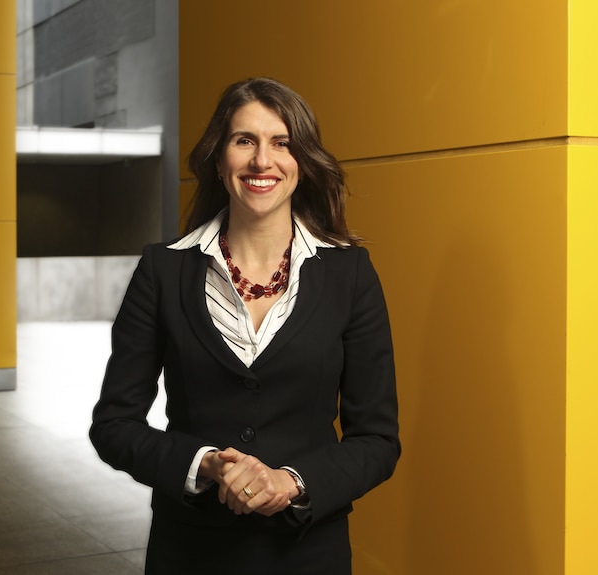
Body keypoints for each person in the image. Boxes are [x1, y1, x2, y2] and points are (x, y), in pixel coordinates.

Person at [90, 77, 400, 575]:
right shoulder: (162, 271)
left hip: (308, 555)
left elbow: (378, 440)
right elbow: (113, 426)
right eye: (244, 141)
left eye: (281, 143)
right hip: (190, 553)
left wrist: (291, 481)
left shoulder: (350, 274)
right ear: (219, 159)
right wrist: (206, 464)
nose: (263, 161)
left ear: (302, 162)